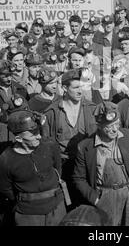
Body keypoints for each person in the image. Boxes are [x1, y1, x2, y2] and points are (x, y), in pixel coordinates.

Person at [72, 101, 129, 226]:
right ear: (98, 125)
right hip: (105, 196)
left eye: (117, 124)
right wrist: (95, 199)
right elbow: (78, 178)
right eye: (109, 126)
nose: (115, 129)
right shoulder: (85, 147)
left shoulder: (127, 135)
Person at [0, 110, 66, 226]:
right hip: (28, 213)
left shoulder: (50, 145)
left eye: (38, 131)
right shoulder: (6, 160)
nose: (39, 136)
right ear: (19, 139)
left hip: (56, 207)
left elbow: (57, 168)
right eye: (32, 134)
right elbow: (6, 189)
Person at [42, 69, 97, 199]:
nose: (80, 91)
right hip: (63, 167)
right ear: (65, 88)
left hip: (87, 166)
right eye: (76, 87)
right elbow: (45, 145)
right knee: (67, 203)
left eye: (82, 87)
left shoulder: (92, 109)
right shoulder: (52, 112)